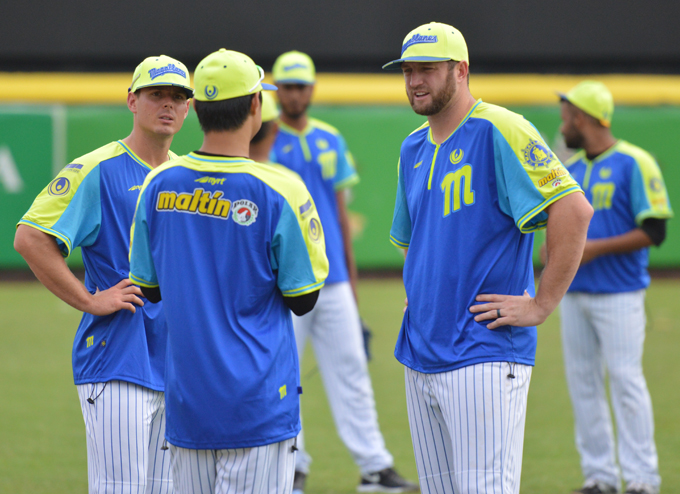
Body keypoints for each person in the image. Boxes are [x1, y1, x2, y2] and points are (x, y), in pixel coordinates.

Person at [382, 22, 593, 494]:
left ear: (461, 70)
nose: (415, 80)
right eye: (408, 70)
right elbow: (414, 239)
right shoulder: (412, 145)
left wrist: (541, 304)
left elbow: (574, 210)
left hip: (483, 349)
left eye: (428, 70)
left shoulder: (499, 127)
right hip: (420, 352)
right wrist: (418, 291)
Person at [128, 48, 329, 494]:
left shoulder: (156, 184)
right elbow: (304, 298)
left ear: (196, 107)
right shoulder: (281, 188)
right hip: (258, 404)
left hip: (187, 402)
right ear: (256, 106)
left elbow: (149, 289)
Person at [13, 55, 192, 494]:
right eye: (156, 95)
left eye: (177, 97)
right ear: (132, 100)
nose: (167, 105)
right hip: (117, 358)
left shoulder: (190, 174)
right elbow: (30, 238)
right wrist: (91, 300)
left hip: (177, 363)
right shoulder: (97, 168)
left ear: (189, 108)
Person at [270, 50, 418, 494]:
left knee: (352, 371)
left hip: (331, 281)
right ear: (277, 91)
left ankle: (374, 467)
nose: (295, 93)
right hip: (283, 283)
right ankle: (291, 466)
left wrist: (353, 290)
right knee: (282, 378)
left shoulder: (330, 139)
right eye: (287, 86)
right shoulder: (264, 138)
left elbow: (337, 217)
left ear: (312, 90)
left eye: (301, 85)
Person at [554, 81, 672, 494]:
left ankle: (642, 478)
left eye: (567, 115)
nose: (563, 123)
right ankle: (599, 476)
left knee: (625, 381)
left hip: (620, 293)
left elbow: (655, 230)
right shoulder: (572, 170)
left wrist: (594, 248)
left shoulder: (634, 162)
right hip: (574, 293)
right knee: (582, 384)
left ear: (582, 117)